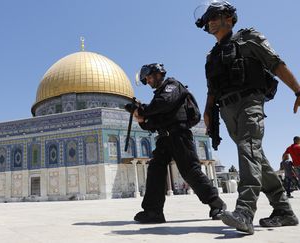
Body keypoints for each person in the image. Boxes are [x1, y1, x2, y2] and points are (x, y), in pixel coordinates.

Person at [195, 1, 299, 234]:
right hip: (226, 110)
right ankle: (283, 211)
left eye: (216, 16)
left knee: (248, 149)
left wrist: (298, 89)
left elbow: (276, 63)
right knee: (256, 157)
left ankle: (244, 211)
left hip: (249, 102)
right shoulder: (212, 55)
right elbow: (212, 88)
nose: (211, 21)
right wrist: (208, 112)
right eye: (208, 18)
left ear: (230, 18)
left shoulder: (249, 38)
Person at [126, 63, 226, 224]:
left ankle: (217, 204)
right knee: (155, 169)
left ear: (159, 74)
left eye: (149, 77)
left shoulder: (172, 86)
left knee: (190, 171)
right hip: (165, 138)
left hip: (179, 135)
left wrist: (143, 110)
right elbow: (153, 122)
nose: (149, 81)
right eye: (146, 79)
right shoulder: (158, 96)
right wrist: (140, 117)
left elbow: (163, 103)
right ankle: (153, 211)